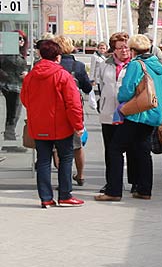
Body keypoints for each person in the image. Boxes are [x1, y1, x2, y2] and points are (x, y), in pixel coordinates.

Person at [95, 34, 162, 202]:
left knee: (115, 149)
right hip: (153, 114)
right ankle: (144, 189)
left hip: (137, 113)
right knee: (143, 150)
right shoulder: (157, 65)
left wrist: (122, 100)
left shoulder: (136, 64)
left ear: (133, 50)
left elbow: (126, 90)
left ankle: (113, 190)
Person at [21, 40, 84, 208]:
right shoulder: (63, 75)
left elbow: (25, 99)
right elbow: (73, 104)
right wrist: (78, 125)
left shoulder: (31, 76)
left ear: (40, 55)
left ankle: (46, 198)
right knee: (66, 158)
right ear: (58, 57)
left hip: (39, 124)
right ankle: (65, 195)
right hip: (61, 126)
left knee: (43, 161)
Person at [97, 32, 135, 194]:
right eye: (120, 48)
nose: (124, 50)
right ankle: (111, 182)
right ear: (113, 50)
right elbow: (98, 84)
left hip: (129, 113)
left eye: (126, 47)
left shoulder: (134, 65)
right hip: (109, 113)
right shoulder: (105, 64)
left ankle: (135, 181)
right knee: (110, 149)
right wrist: (100, 103)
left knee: (132, 148)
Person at [53, 35, 92, 186]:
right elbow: (87, 88)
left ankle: (64, 177)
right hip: (74, 109)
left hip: (56, 109)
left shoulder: (53, 65)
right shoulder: (79, 66)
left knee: (57, 147)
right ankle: (80, 175)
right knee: (77, 145)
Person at [0, 30, 28, 141]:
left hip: (14, 86)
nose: (21, 41)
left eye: (23, 39)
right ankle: (9, 138)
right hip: (12, 87)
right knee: (13, 113)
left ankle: (9, 137)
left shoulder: (14, 53)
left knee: (14, 113)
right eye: (18, 38)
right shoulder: (9, 54)